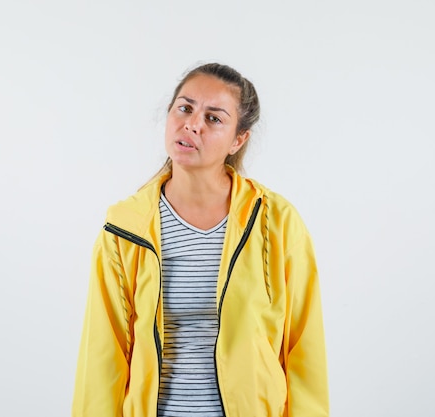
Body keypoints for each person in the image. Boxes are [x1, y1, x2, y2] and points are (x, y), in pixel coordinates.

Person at [72, 63, 329, 417]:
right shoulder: (125, 228)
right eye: (185, 108)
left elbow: (305, 349)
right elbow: (102, 355)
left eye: (214, 118)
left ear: (238, 139)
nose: (193, 123)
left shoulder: (278, 222)